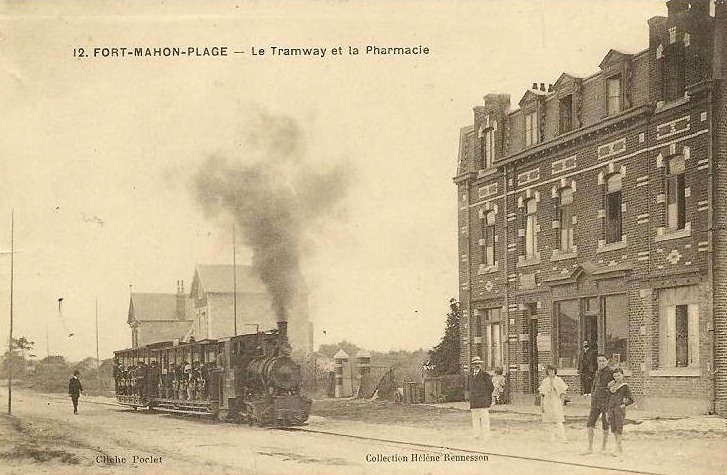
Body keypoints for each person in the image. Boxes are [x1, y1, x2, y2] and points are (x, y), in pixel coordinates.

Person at [583, 354, 615, 454]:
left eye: (603, 361)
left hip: (606, 402)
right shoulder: (597, 372)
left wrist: (613, 383)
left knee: (605, 425)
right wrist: (592, 399)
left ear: (607, 361)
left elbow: (619, 380)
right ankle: (590, 447)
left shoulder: (611, 371)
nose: (601, 363)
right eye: (599, 361)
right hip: (596, 402)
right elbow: (594, 387)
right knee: (590, 424)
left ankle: (604, 448)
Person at [606, 368, 634, 456]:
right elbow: (608, 399)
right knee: (613, 429)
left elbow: (631, 399)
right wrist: (607, 411)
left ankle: (617, 449)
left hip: (619, 410)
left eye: (618, 375)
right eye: (614, 376)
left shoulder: (625, 386)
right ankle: (619, 448)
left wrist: (623, 405)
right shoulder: (611, 387)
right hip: (611, 409)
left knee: (619, 429)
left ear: (622, 375)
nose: (616, 377)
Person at [538, 365, 568, 442]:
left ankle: (563, 437)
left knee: (559, 419)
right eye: (549, 371)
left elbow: (562, 393)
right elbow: (542, 394)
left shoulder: (559, 380)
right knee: (550, 421)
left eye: (552, 371)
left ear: (555, 371)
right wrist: (542, 406)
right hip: (547, 401)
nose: (551, 372)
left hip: (556, 400)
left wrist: (561, 404)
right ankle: (552, 437)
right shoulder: (545, 381)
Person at [469, 357, 494, 439]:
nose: (477, 365)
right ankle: (476, 434)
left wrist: (486, 396)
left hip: (483, 400)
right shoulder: (470, 375)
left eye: (478, 364)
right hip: (474, 401)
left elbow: (490, 387)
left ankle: (486, 435)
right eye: (475, 364)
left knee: (484, 419)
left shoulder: (485, 375)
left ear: (481, 365)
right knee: (475, 418)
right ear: (472, 365)